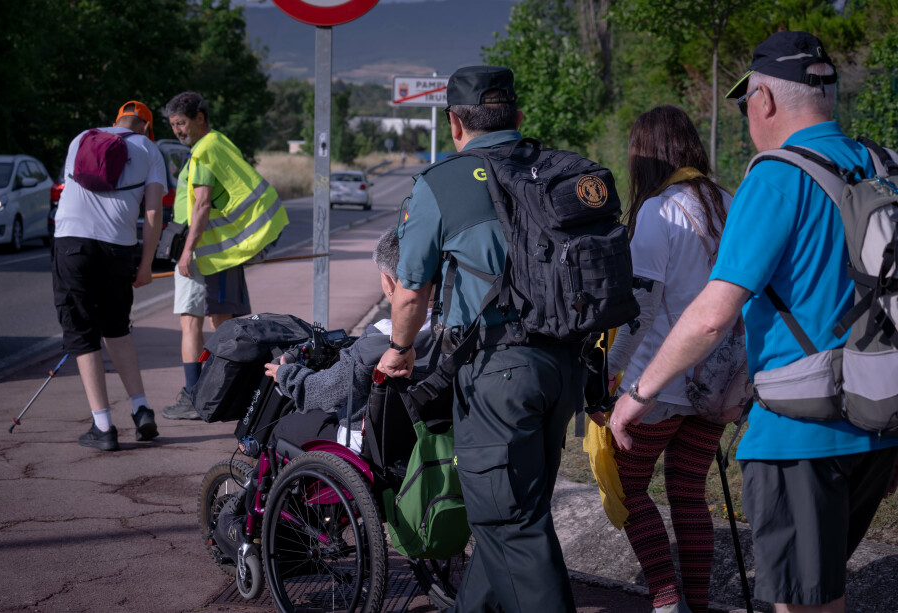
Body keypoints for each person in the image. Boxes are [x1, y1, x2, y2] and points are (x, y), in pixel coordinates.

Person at [610, 32, 898, 612]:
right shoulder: (882, 164)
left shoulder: (775, 177)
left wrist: (637, 391)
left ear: (763, 101)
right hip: (879, 419)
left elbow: (713, 315)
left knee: (802, 606)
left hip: (800, 434)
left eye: (747, 107)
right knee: (824, 593)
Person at [377, 65, 586, 613]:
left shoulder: (440, 184)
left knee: (507, 521)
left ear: (455, 123)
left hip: (498, 372)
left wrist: (399, 351)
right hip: (565, 367)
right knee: (514, 508)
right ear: (517, 116)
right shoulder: (558, 170)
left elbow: (410, 290)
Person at [602, 105, 733, 613]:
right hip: (716, 381)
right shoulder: (730, 202)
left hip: (653, 383)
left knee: (628, 487)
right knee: (688, 491)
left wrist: (612, 370)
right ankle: (695, 603)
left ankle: (664, 598)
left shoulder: (661, 210)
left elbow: (641, 309)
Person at [161, 91, 288, 420]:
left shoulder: (203, 152)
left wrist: (186, 252)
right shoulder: (217, 143)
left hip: (205, 256)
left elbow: (201, 205)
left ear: (199, 118)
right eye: (173, 125)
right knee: (225, 324)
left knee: (198, 324)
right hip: (218, 253)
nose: (177, 130)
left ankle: (198, 396)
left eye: (181, 123)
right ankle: (236, 391)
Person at [52, 100, 166, 451]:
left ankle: (103, 426)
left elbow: (68, 189)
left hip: (72, 244)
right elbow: (152, 212)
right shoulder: (149, 149)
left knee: (83, 332)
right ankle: (141, 409)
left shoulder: (81, 138)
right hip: (118, 246)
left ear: (116, 120)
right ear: (145, 126)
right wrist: (146, 264)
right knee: (116, 328)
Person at [262, 229, 436, 449]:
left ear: (389, 283)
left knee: (285, 428)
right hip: (426, 439)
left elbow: (328, 390)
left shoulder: (381, 338)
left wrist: (287, 377)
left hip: (369, 444)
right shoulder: (456, 330)